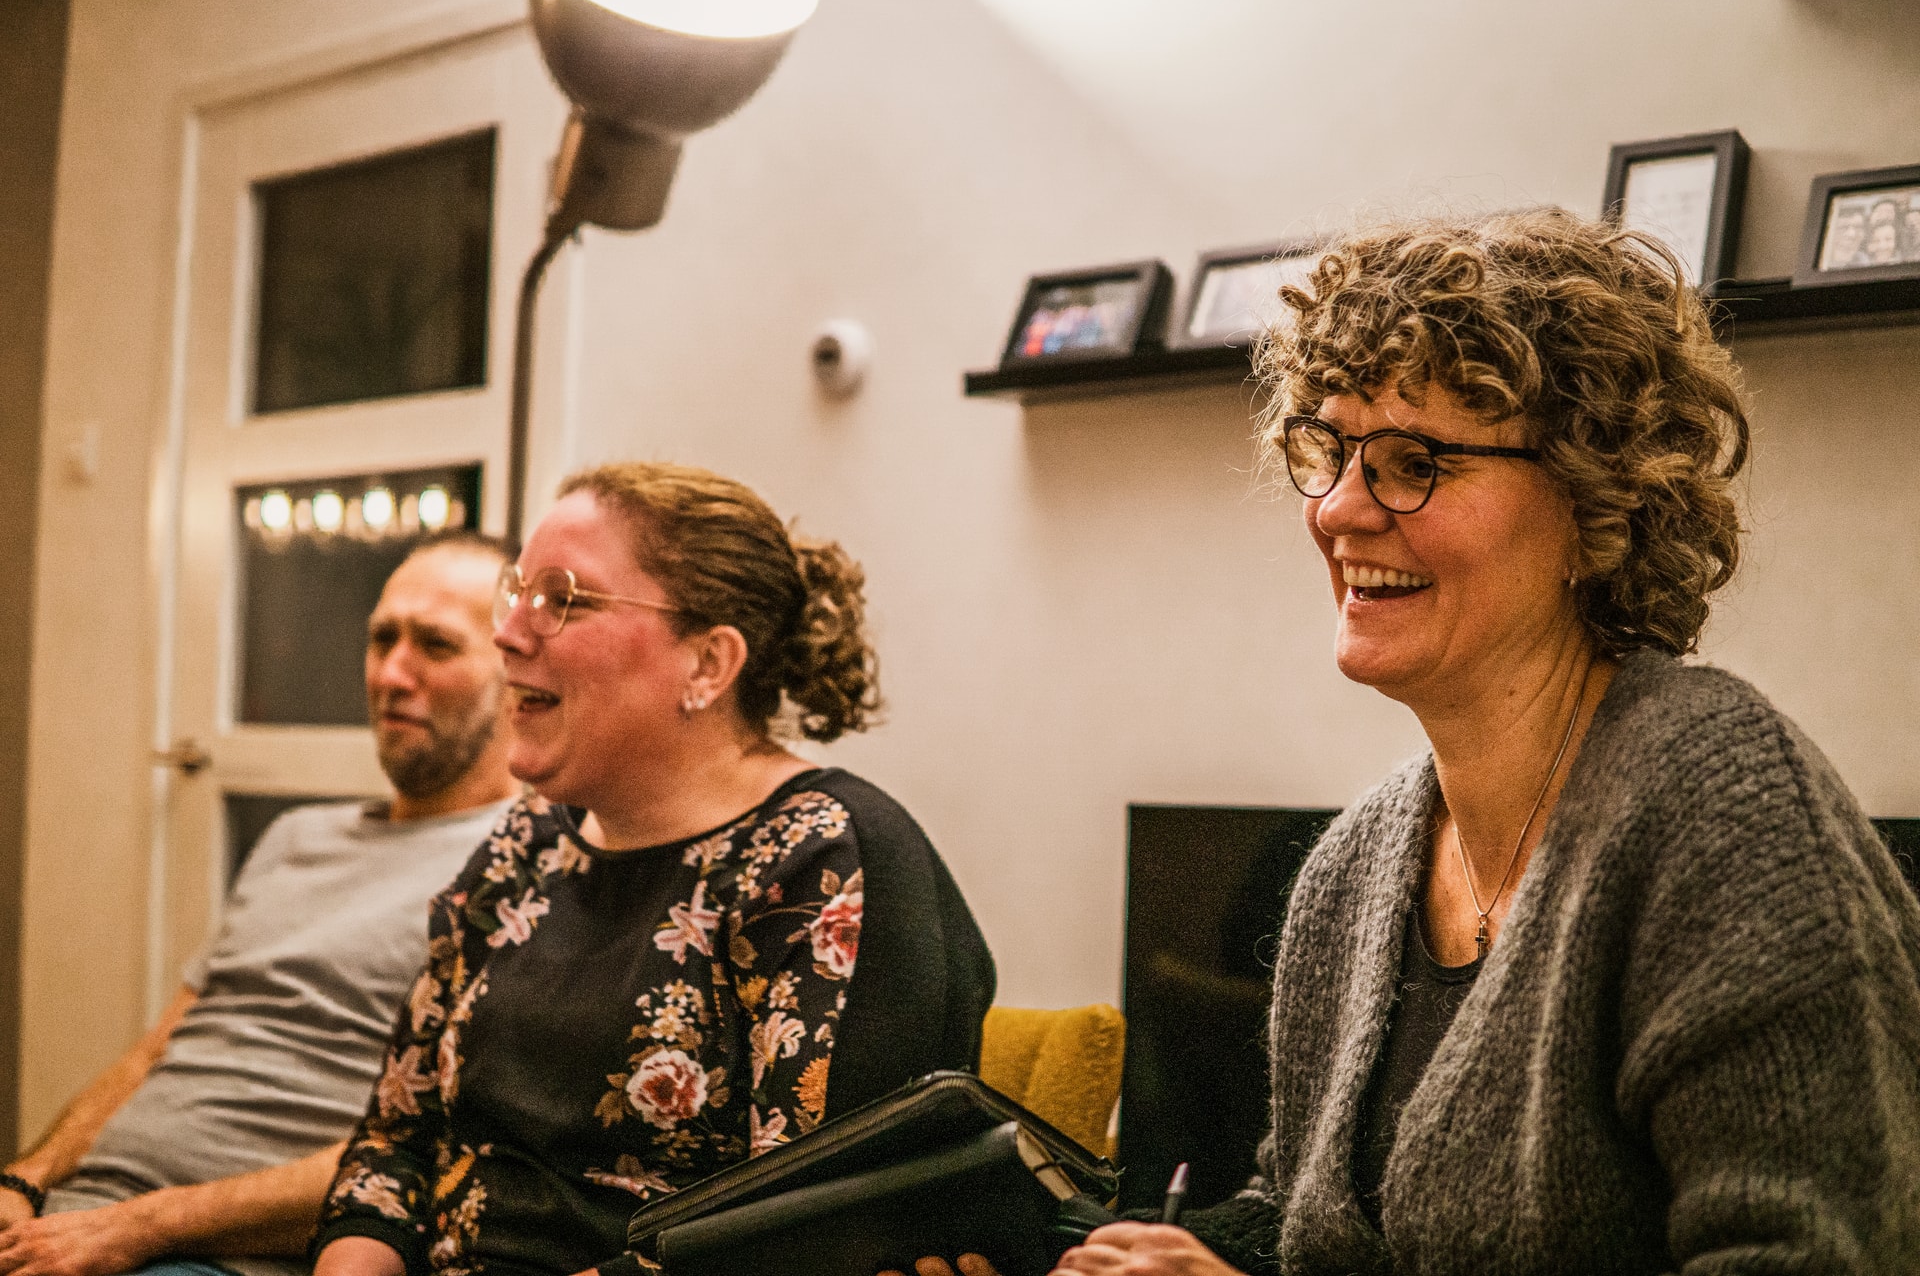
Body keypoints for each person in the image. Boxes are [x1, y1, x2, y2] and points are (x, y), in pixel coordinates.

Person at [922, 209, 1920, 1276]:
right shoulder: (1349, 875)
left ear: (1596, 502)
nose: (1342, 509)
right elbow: (1313, 1225)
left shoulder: (1728, 816)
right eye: (1330, 448)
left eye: (1416, 461)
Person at [310, 462, 995, 1276]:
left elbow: (797, 1236)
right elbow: (394, 1142)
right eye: (517, 591)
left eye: (564, 599)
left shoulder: (825, 859)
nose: (510, 631)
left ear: (708, 663)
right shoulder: (528, 841)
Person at [0, 535, 521, 1276]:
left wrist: (144, 1229)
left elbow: (428, 1153)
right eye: (382, 638)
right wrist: (25, 1178)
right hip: (78, 1219)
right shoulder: (295, 837)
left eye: (436, 645)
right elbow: (159, 1050)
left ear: (518, 669)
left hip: (217, 1254)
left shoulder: (522, 866)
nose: (392, 673)